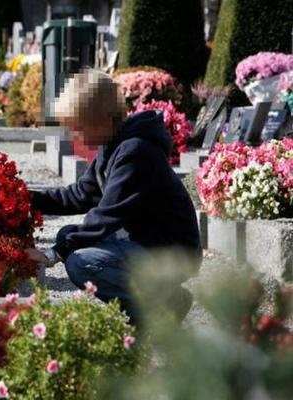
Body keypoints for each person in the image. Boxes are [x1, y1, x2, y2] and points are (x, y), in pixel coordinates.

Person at [27, 69, 201, 322]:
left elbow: (106, 215)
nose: (75, 136)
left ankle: (162, 307)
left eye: (79, 128)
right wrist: (29, 198)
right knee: (69, 236)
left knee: (81, 262)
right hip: (146, 241)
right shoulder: (114, 145)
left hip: (170, 252)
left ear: (106, 119)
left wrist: (54, 254)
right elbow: (81, 194)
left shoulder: (135, 151)